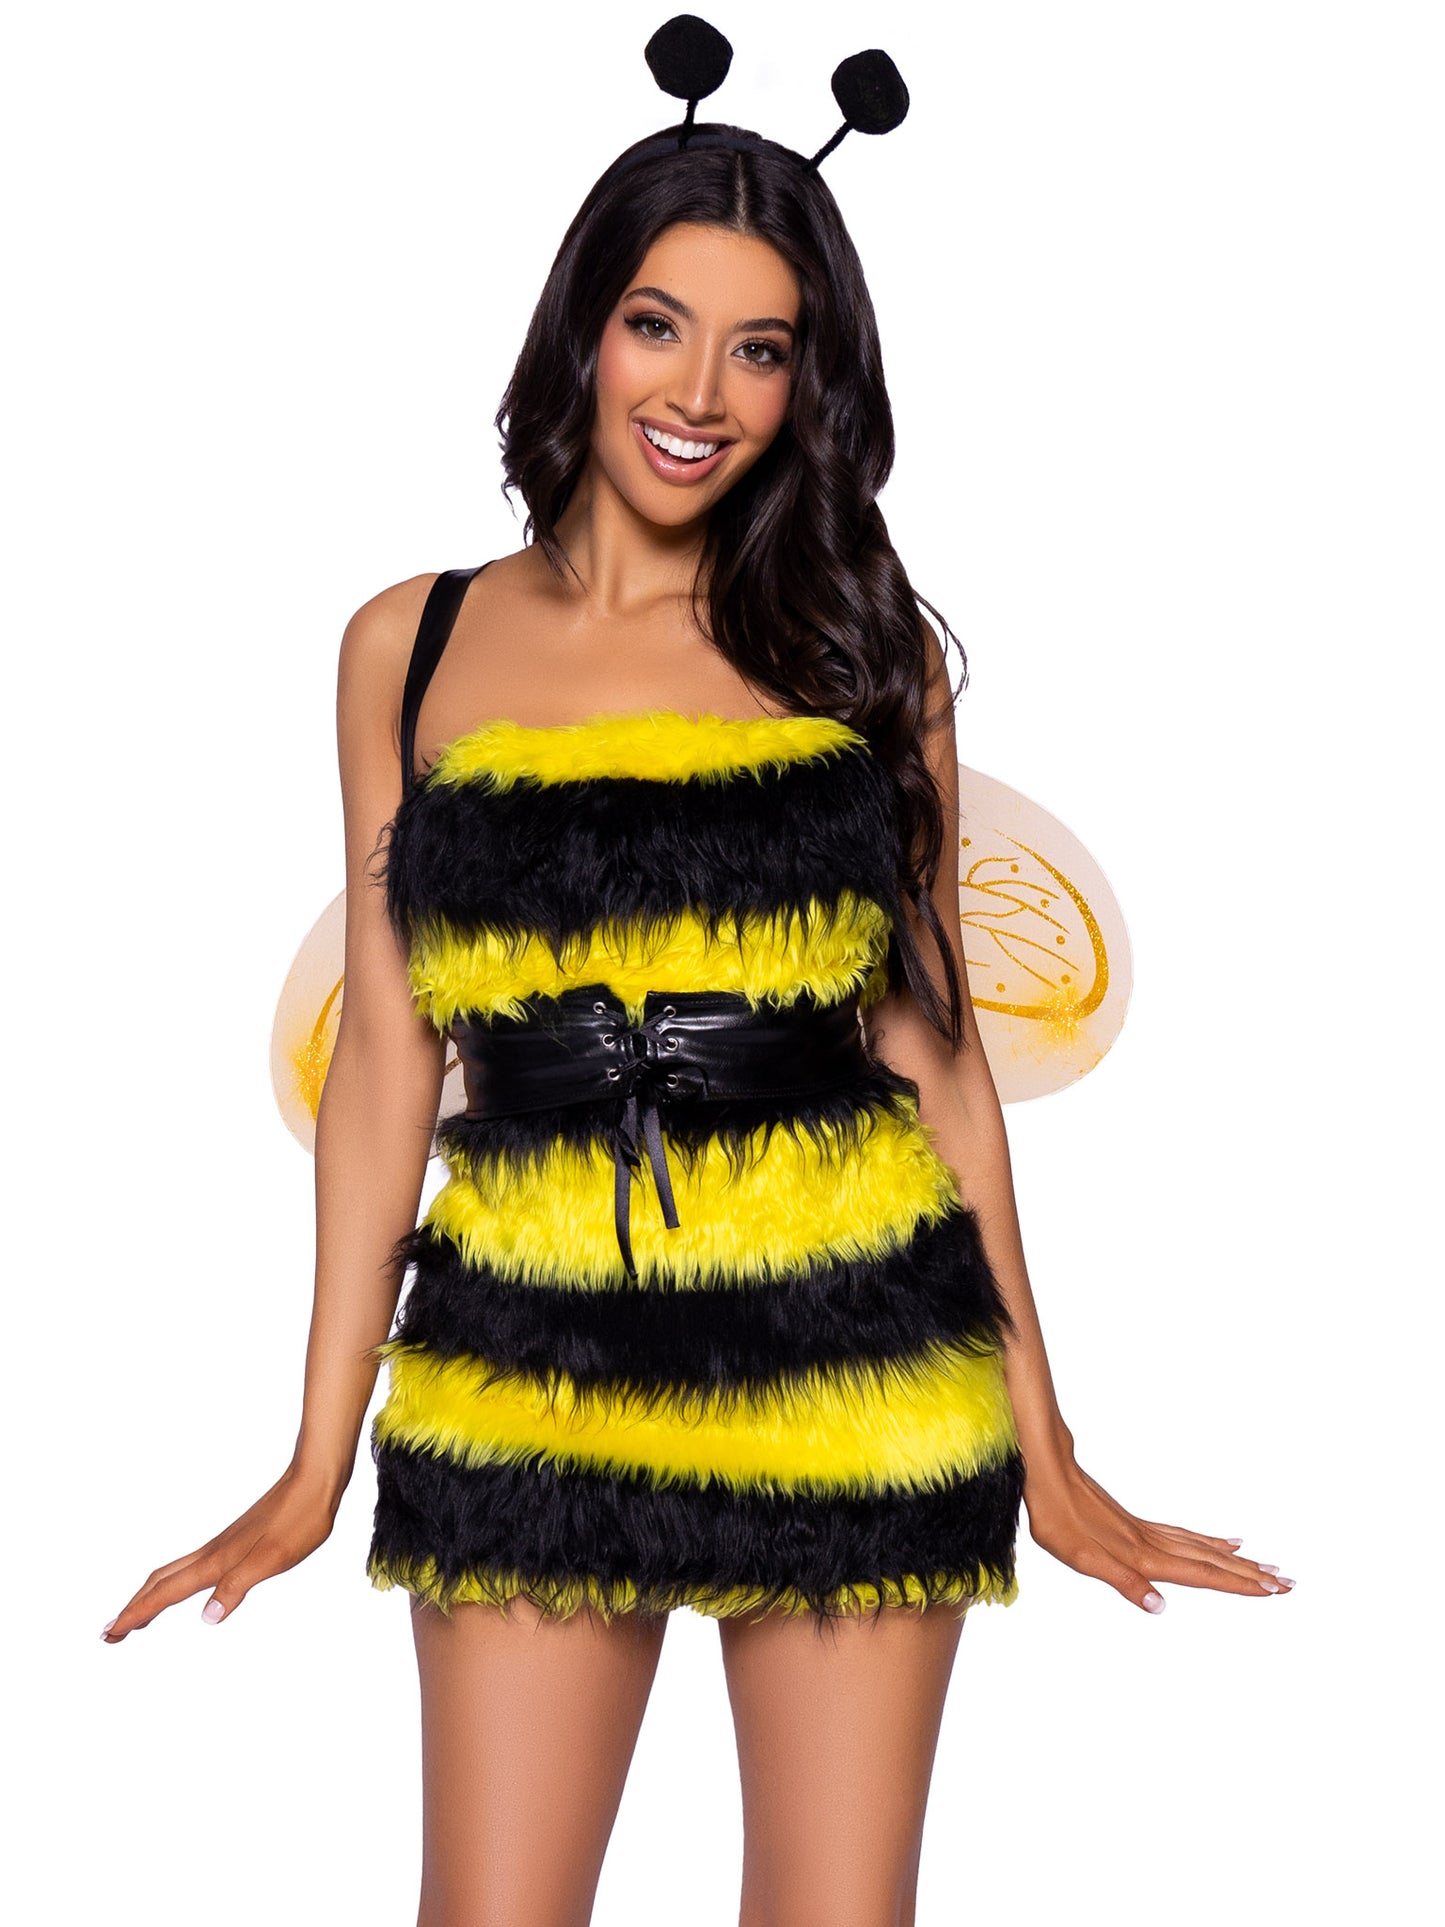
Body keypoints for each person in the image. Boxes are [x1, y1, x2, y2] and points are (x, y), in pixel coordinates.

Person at [100, 22, 1293, 1925]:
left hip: (856, 1356)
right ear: (583, 325)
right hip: (520, 1359)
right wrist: (314, 1462)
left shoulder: (864, 648)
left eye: (762, 349)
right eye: (659, 325)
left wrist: (1050, 1448)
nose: (699, 393)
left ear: (810, 383)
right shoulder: (408, 644)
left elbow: (935, 1053)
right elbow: (392, 1058)